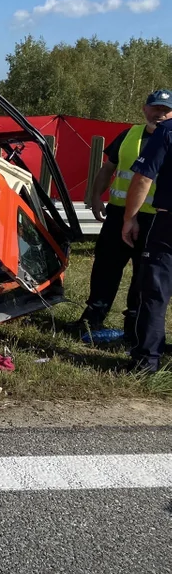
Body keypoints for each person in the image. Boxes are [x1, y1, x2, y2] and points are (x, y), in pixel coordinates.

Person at [68, 91, 172, 339]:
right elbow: (108, 168)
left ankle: (134, 327)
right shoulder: (129, 135)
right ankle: (93, 317)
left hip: (154, 219)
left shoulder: (168, 138)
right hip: (119, 214)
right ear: (144, 109)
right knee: (105, 267)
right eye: (155, 108)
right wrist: (95, 196)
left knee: (144, 276)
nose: (160, 114)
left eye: (165, 110)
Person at [122, 89, 172, 373]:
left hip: (168, 224)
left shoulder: (165, 133)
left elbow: (143, 179)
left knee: (155, 291)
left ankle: (146, 361)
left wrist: (130, 219)